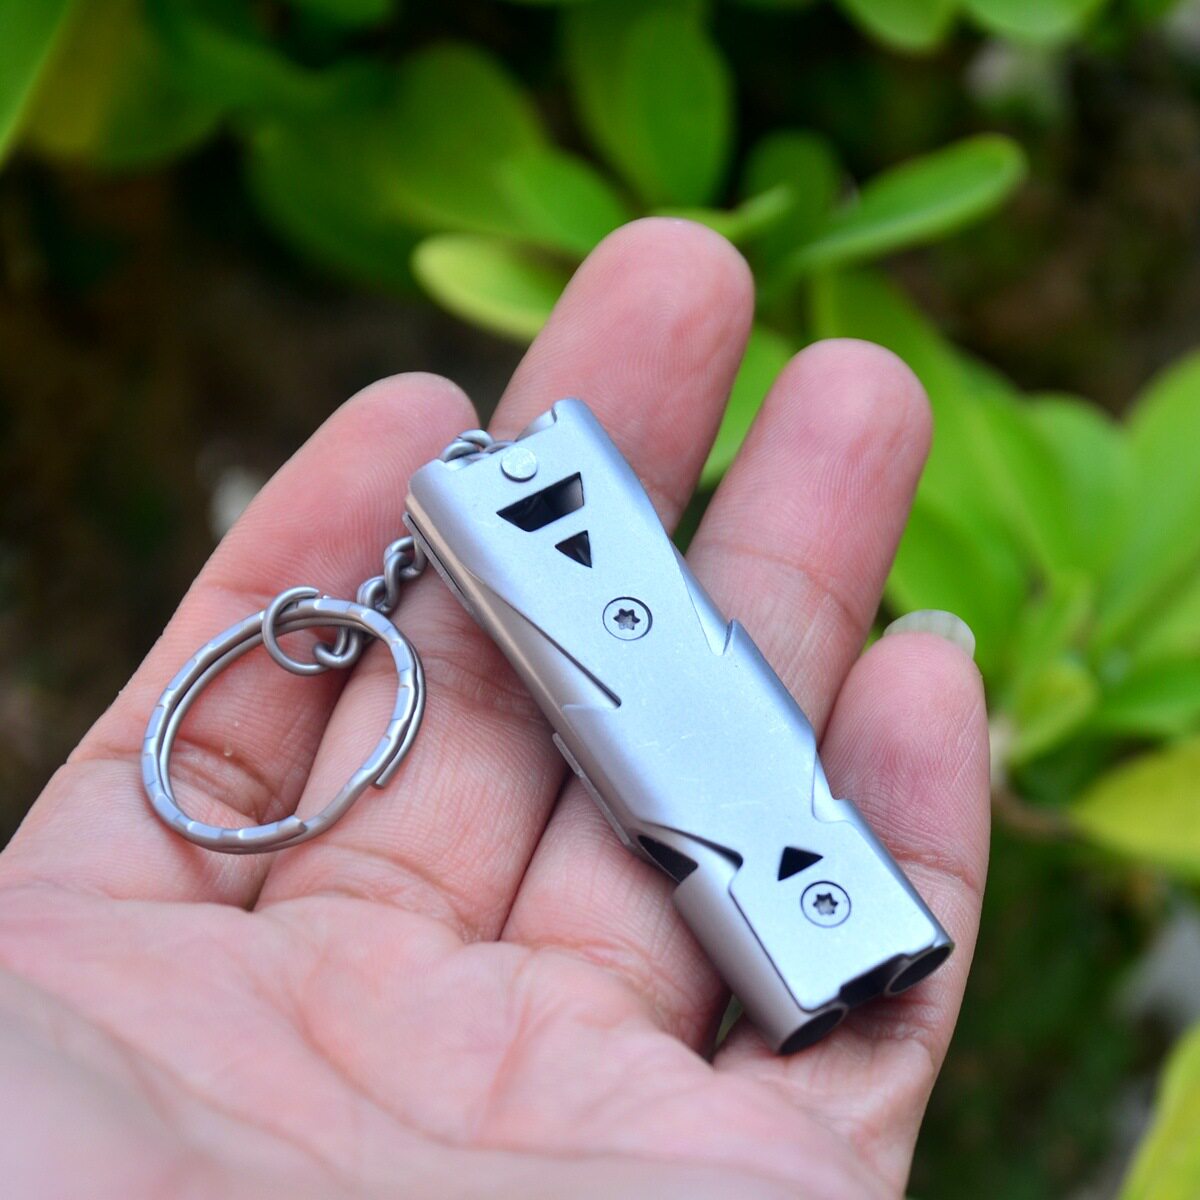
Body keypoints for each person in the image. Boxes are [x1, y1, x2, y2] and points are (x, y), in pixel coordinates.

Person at [0, 220, 989, 1199]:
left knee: (733, 775)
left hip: (723, 759)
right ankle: (818, 931)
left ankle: (831, 923)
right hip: (689, 761)